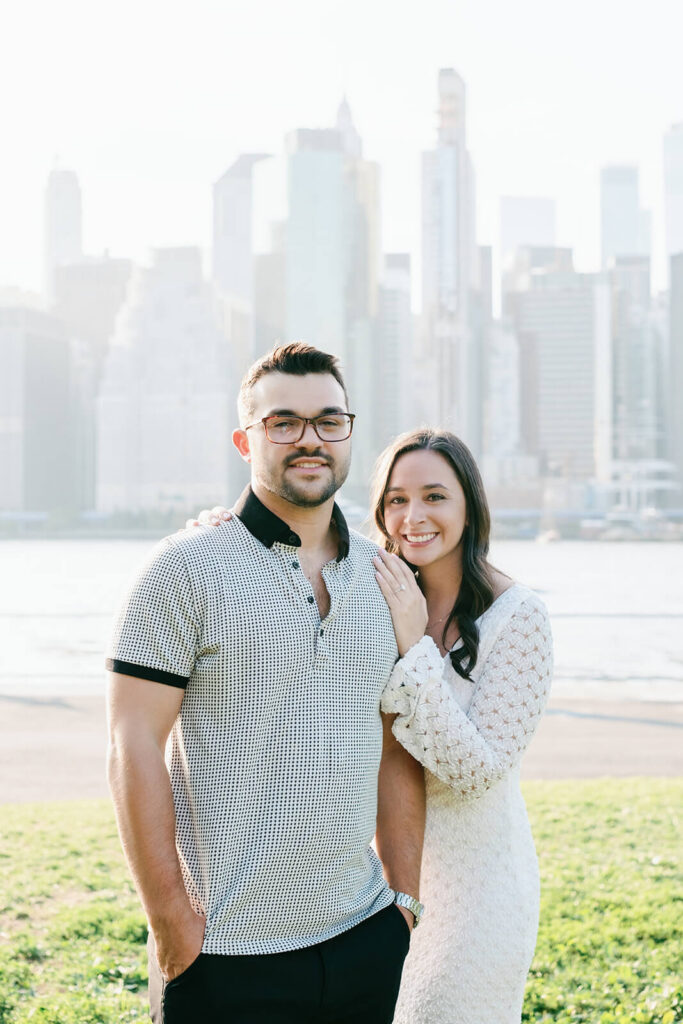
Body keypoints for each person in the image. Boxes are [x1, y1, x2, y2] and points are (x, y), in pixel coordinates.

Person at [106, 342, 425, 1024]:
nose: (308, 439)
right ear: (243, 440)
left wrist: (403, 902)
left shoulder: (386, 580)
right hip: (223, 952)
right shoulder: (184, 569)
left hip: (363, 937)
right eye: (283, 422)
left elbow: (395, 748)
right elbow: (132, 747)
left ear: (347, 433)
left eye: (327, 421)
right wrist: (172, 924)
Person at [198, 426, 553, 1024]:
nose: (414, 516)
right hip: (370, 888)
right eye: (396, 499)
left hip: (479, 895)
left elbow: (478, 772)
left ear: (470, 505)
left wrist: (414, 646)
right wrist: (222, 537)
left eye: (435, 496)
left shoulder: (520, 617)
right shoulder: (368, 588)